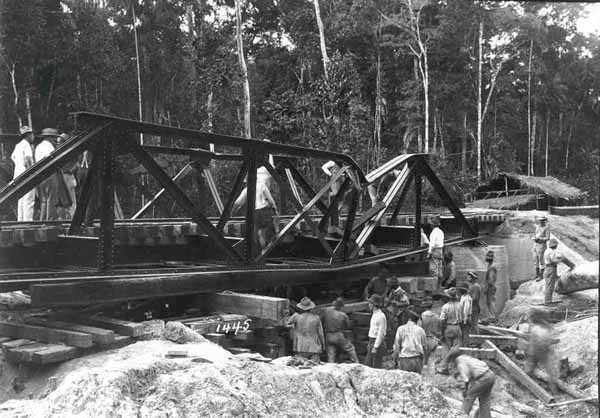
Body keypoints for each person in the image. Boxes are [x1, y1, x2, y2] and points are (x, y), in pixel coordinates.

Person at [233, 171, 279, 254]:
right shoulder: (262, 185)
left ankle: (260, 252)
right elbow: (270, 199)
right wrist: (275, 209)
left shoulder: (247, 189)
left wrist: (233, 210)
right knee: (271, 233)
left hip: (255, 213)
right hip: (264, 211)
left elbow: (238, 202)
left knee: (258, 234)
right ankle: (267, 250)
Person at [445, 346, 496, 418]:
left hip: (483, 378)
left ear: (453, 359)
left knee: (469, 396)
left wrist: (466, 391)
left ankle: (462, 415)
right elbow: (472, 375)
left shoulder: (460, 363)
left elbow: (466, 379)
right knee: (484, 400)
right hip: (490, 375)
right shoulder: (465, 357)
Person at [525, 309, 558, 394]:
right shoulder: (543, 328)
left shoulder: (536, 328)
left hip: (537, 352)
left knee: (532, 369)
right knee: (549, 371)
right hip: (541, 351)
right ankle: (553, 389)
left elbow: (536, 341)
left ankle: (526, 384)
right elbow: (544, 341)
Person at [285, 297, 325, 362]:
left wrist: (292, 326)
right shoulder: (316, 318)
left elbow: (285, 323)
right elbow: (321, 333)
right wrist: (323, 346)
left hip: (300, 347)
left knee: (302, 367)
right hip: (314, 347)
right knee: (314, 367)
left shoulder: (296, 316)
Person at [320, 297, 359, 363]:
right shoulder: (343, 315)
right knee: (349, 348)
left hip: (328, 335)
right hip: (338, 334)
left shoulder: (326, 311)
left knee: (331, 353)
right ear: (341, 306)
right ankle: (356, 362)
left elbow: (321, 320)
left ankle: (330, 366)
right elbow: (347, 326)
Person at [35, 128, 61, 221]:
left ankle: (43, 220)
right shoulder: (49, 147)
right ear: (50, 137)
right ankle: (50, 220)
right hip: (49, 174)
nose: (55, 140)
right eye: (54, 138)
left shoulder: (38, 147)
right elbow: (52, 161)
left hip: (40, 176)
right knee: (51, 198)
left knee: (43, 200)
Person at [11, 126, 36, 221]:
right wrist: (31, 172)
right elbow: (28, 159)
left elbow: (12, 157)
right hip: (26, 175)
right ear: (29, 135)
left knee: (20, 200)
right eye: (32, 134)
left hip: (17, 175)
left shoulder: (18, 145)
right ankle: (28, 222)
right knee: (28, 200)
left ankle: (20, 222)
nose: (33, 136)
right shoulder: (26, 145)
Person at [542, 238, 574, 305]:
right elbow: (553, 260)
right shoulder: (551, 252)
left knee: (550, 284)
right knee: (550, 286)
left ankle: (548, 300)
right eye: (556, 245)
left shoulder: (547, 250)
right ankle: (547, 302)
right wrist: (561, 259)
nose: (557, 246)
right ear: (555, 245)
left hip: (548, 268)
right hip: (551, 268)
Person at [56, 133, 77, 220]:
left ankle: (72, 219)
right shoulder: (60, 152)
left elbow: (76, 164)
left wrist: (69, 171)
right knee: (64, 201)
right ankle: (65, 219)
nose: (57, 145)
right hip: (64, 177)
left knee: (70, 201)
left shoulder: (69, 152)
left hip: (67, 177)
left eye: (59, 142)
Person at [321, 159, 345, 235]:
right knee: (335, 198)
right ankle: (333, 224)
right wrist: (330, 174)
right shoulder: (332, 162)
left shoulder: (343, 164)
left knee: (340, 201)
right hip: (334, 182)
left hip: (341, 182)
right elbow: (324, 167)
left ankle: (336, 222)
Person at [365, 294, 386, 369]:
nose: (369, 305)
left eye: (370, 303)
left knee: (376, 366)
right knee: (368, 364)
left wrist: (375, 346)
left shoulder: (381, 316)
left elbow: (381, 333)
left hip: (377, 342)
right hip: (372, 341)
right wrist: (370, 343)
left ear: (374, 305)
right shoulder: (374, 315)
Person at [427, 215, 444, 287]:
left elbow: (432, 243)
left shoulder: (434, 232)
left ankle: (435, 286)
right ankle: (440, 285)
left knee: (433, 268)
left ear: (432, 225)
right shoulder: (441, 231)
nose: (430, 226)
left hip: (435, 251)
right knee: (440, 267)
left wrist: (429, 252)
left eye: (431, 224)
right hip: (440, 250)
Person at [532, 215, 550, 280]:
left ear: (544, 221)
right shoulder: (537, 227)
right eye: (540, 220)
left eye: (542, 220)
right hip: (535, 245)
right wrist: (534, 238)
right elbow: (535, 235)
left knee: (541, 260)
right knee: (535, 260)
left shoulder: (546, 228)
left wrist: (540, 239)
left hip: (542, 245)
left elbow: (548, 238)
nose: (541, 222)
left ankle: (541, 275)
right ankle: (537, 274)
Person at [457, 282, 472, 346]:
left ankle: (465, 346)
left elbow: (466, 309)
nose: (459, 291)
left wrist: (465, 320)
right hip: (463, 317)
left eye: (460, 289)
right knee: (463, 333)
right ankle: (464, 344)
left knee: (465, 332)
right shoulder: (463, 297)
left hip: (466, 318)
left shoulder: (467, 298)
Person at [467, 271, 482, 336]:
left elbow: (475, 298)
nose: (468, 278)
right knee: (471, 324)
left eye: (469, 277)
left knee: (474, 324)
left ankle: (477, 338)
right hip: (471, 308)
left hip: (474, 308)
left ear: (473, 278)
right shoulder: (472, 286)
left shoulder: (476, 286)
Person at [484, 250, 497, 321]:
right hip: (491, 286)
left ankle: (493, 317)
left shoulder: (492, 267)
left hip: (491, 287)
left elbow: (491, 279)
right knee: (490, 302)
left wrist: (487, 288)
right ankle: (492, 316)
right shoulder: (490, 265)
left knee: (490, 302)